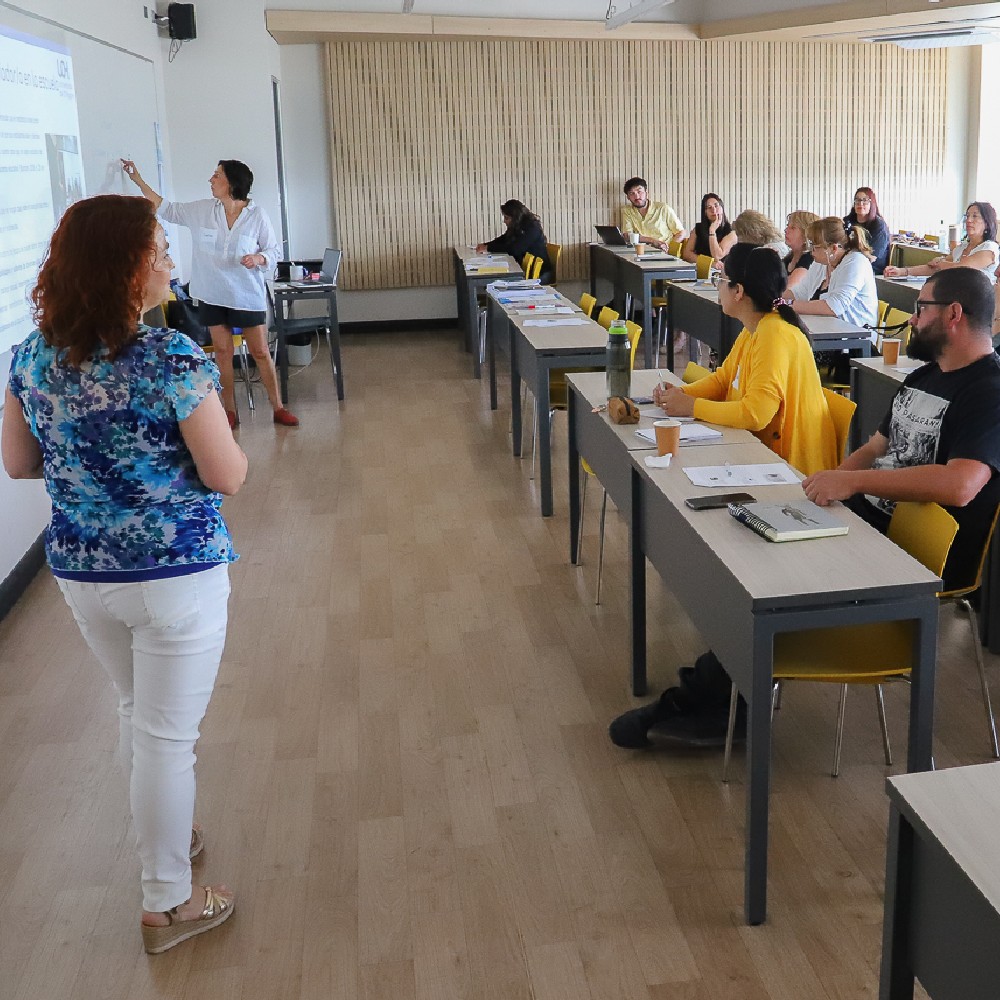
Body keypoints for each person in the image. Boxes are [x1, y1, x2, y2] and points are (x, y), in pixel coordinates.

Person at [610, 267, 1000, 751]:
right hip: (867, 524)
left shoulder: (989, 389)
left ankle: (707, 704)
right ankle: (725, 700)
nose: (912, 319)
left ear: (954, 315)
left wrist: (852, 482)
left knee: (768, 579)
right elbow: (876, 446)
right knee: (746, 548)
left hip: (917, 557)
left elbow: (962, 485)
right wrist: (834, 482)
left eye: (920, 309)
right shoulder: (926, 374)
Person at [2, 195, 247, 951]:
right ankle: (168, 902)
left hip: (82, 573)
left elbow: (18, 464)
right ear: (128, 266)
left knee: (137, 710)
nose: (171, 263)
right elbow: (227, 475)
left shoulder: (31, 354)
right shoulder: (170, 358)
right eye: (160, 252)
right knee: (168, 738)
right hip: (175, 575)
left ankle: (168, 834)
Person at [122, 157, 298, 430]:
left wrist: (259, 258)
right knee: (223, 352)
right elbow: (164, 207)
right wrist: (137, 179)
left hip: (246, 295)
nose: (211, 180)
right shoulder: (203, 210)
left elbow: (274, 251)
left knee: (261, 351)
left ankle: (278, 408)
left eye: (216, 176)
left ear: (231, 183)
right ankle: (230, 411)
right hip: (212, 295)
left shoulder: (257, 215)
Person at [653, 244, 839, 481]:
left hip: (793, 470)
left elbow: (755, 414)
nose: (718, 287)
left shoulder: (774, 334)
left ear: (738, 291)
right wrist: (679, 395)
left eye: (720, 280)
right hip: (762, 452)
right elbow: (724, 380)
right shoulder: (756, 326)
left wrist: (691, 406)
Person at [788, 217, 879, 329]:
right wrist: (772, 298)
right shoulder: (821, 262)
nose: (811, 251)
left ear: (833, 248)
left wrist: (788, 305)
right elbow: (800, 292)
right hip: (826, 332)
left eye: (815, 247)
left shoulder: (856, 262)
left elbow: (835, 306)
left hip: (855, 340)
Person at [885, 202, 1000, 283]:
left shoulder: (989, 248)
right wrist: (902, 271)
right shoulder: (963, 247)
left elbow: (962, 269)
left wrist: (941, 263)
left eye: (975, 216)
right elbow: (934, 268)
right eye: (967, 216)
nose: (969, 220)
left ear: (987, 223)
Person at [476, 199, 551, 280]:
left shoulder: (532, 228)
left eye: (507, 218)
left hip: (540, 273)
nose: (504, 221)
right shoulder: (518, 226)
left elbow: (514, 249)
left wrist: (488, 248)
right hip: (525, 269)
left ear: (516, 218)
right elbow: (504, 239)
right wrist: (486, 245)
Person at [621, 176, 685, 249]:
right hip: (640, 251)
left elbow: (681, 232)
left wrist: (670, 249)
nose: (637, 196)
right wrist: (651, 240)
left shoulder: (663, 208)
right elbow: (628, 236)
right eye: (632, 193)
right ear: (628, 197)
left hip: (663, 252)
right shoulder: (627, 210)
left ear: (646, 193)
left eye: (639, 192)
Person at [844, 187, 891, 274]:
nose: (860, 204)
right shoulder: (847, 221)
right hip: (850, 262)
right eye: (857, 200)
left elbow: (872, 256)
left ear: (871, 203)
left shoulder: (879, 226)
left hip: (871, 268)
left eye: (865, 200)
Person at [681, 192, 736, 265]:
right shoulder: (698, 228)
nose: (713, 210)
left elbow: (717, 256)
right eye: (709, 207)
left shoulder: (731, 231)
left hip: (720, 273)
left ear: (722, 208)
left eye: (716, 206)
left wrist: (712, 231)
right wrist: (708, 263)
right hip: (701, 269)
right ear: (705, 212)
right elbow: (686, 255)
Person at [783, 210, 820, 287]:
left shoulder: (810, 258)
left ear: (806, 234)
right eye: (787, 226)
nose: (786, 230)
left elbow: (789, 289)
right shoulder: (788, 258)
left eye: (792, 228)